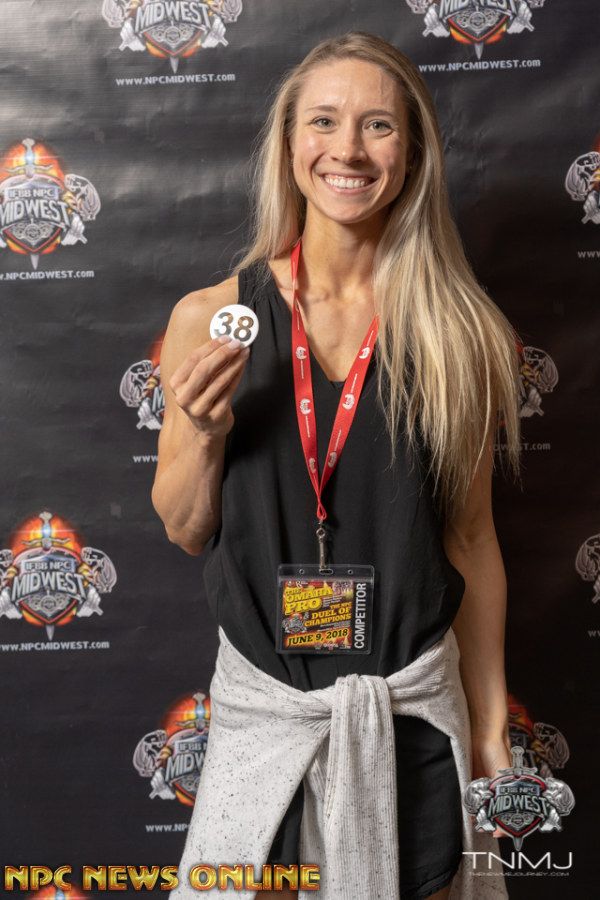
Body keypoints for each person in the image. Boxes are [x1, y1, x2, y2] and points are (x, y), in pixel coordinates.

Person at [152, 31, 521, 900]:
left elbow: (471, 540)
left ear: (413, 153)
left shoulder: (459, 333)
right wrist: (204, 430)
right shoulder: (210, 317)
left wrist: (491, 730)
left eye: (378, 126)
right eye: (323, 121)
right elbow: (184, 528)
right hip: (266, 721)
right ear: (289, 145)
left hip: (408, 719)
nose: (347, 150)